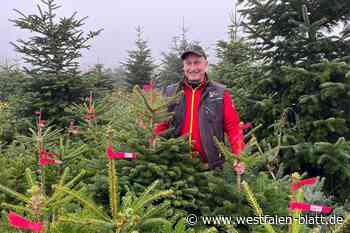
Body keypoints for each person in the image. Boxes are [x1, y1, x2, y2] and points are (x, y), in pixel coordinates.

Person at [154, 44, 246, 173]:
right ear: (183, 66)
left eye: (197, 63)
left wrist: (239, 155)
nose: (193, 68)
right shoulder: (171, 92)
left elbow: (233, 127)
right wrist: (153, 147)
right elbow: (162, 124)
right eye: (188, 63)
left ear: (205, 64)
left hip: (211, 168)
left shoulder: (220, 93)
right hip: (177, 167)